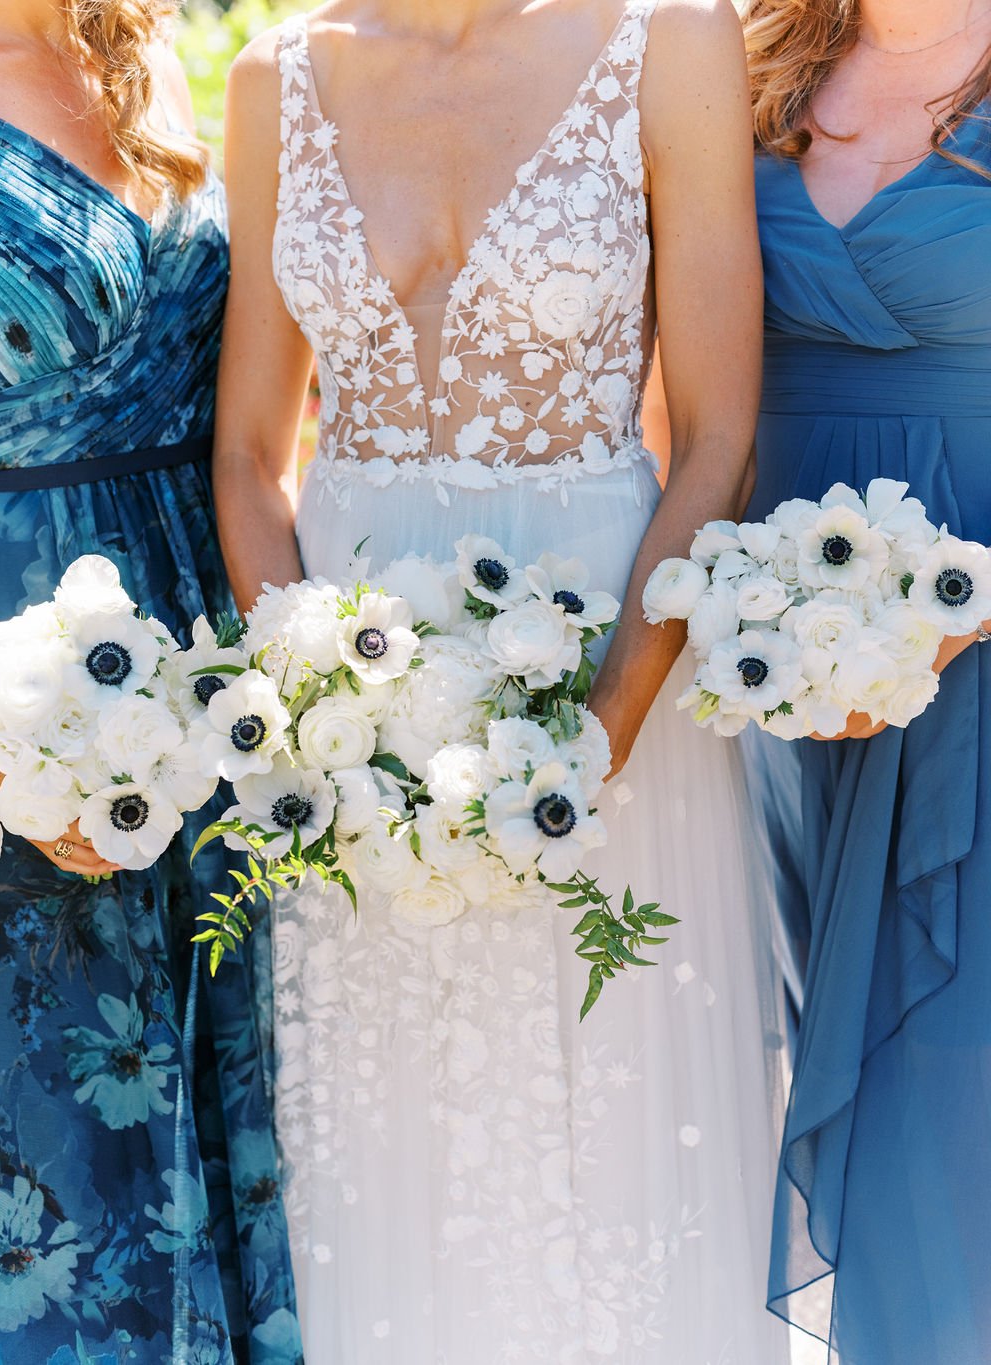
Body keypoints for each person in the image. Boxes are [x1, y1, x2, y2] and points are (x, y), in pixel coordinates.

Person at [217, 0, 790, 1359]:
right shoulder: (275, 76)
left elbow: (718, 437)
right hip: (357, 725)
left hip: (612, 684)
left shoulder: (670, 38)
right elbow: (248, 450)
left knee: (610, 1137)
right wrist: (322, 715)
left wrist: (590, 747)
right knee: (388, 1139)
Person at [0, 1, 301, 1359]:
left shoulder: (137, 54)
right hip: (9, 713)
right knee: (42, 1179)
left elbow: (251, 418)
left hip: (192, 695)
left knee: (199, 1122)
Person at [744, 0, 991, 1358]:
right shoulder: (744, 65)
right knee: (817, 1039)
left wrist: (972, 594)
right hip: (786, 669)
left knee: (951, 1077)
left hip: (984, 644)